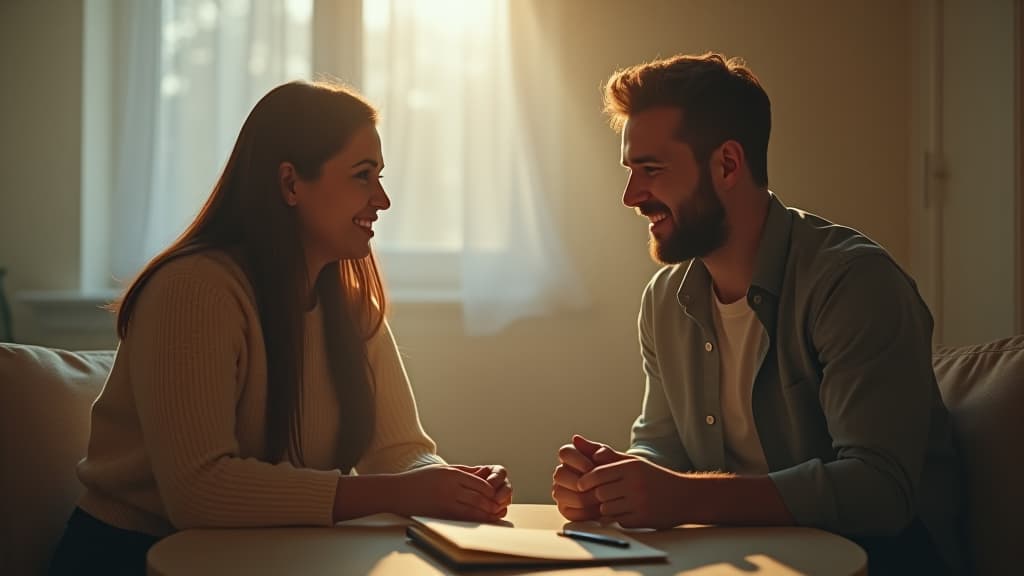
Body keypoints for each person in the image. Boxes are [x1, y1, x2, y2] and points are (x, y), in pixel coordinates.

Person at [50, 81, 512, 576]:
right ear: (291, 183)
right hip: (134, 560)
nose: (383, 199)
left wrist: (453, 488)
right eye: (364, 176)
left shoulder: (353, 307)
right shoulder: (194, 290)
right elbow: (199, 492)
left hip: (270, 557)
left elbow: (400, 453)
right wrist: (400, 492)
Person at [551, 53, 961, 575]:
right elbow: (661, 446)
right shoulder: (664, 300)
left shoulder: (853, 283)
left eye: (651, 169)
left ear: (726, 164)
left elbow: (879, 490)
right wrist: (615, 486)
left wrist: (686, 500)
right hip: (743, 561)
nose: (632, 196)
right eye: (631, 171)